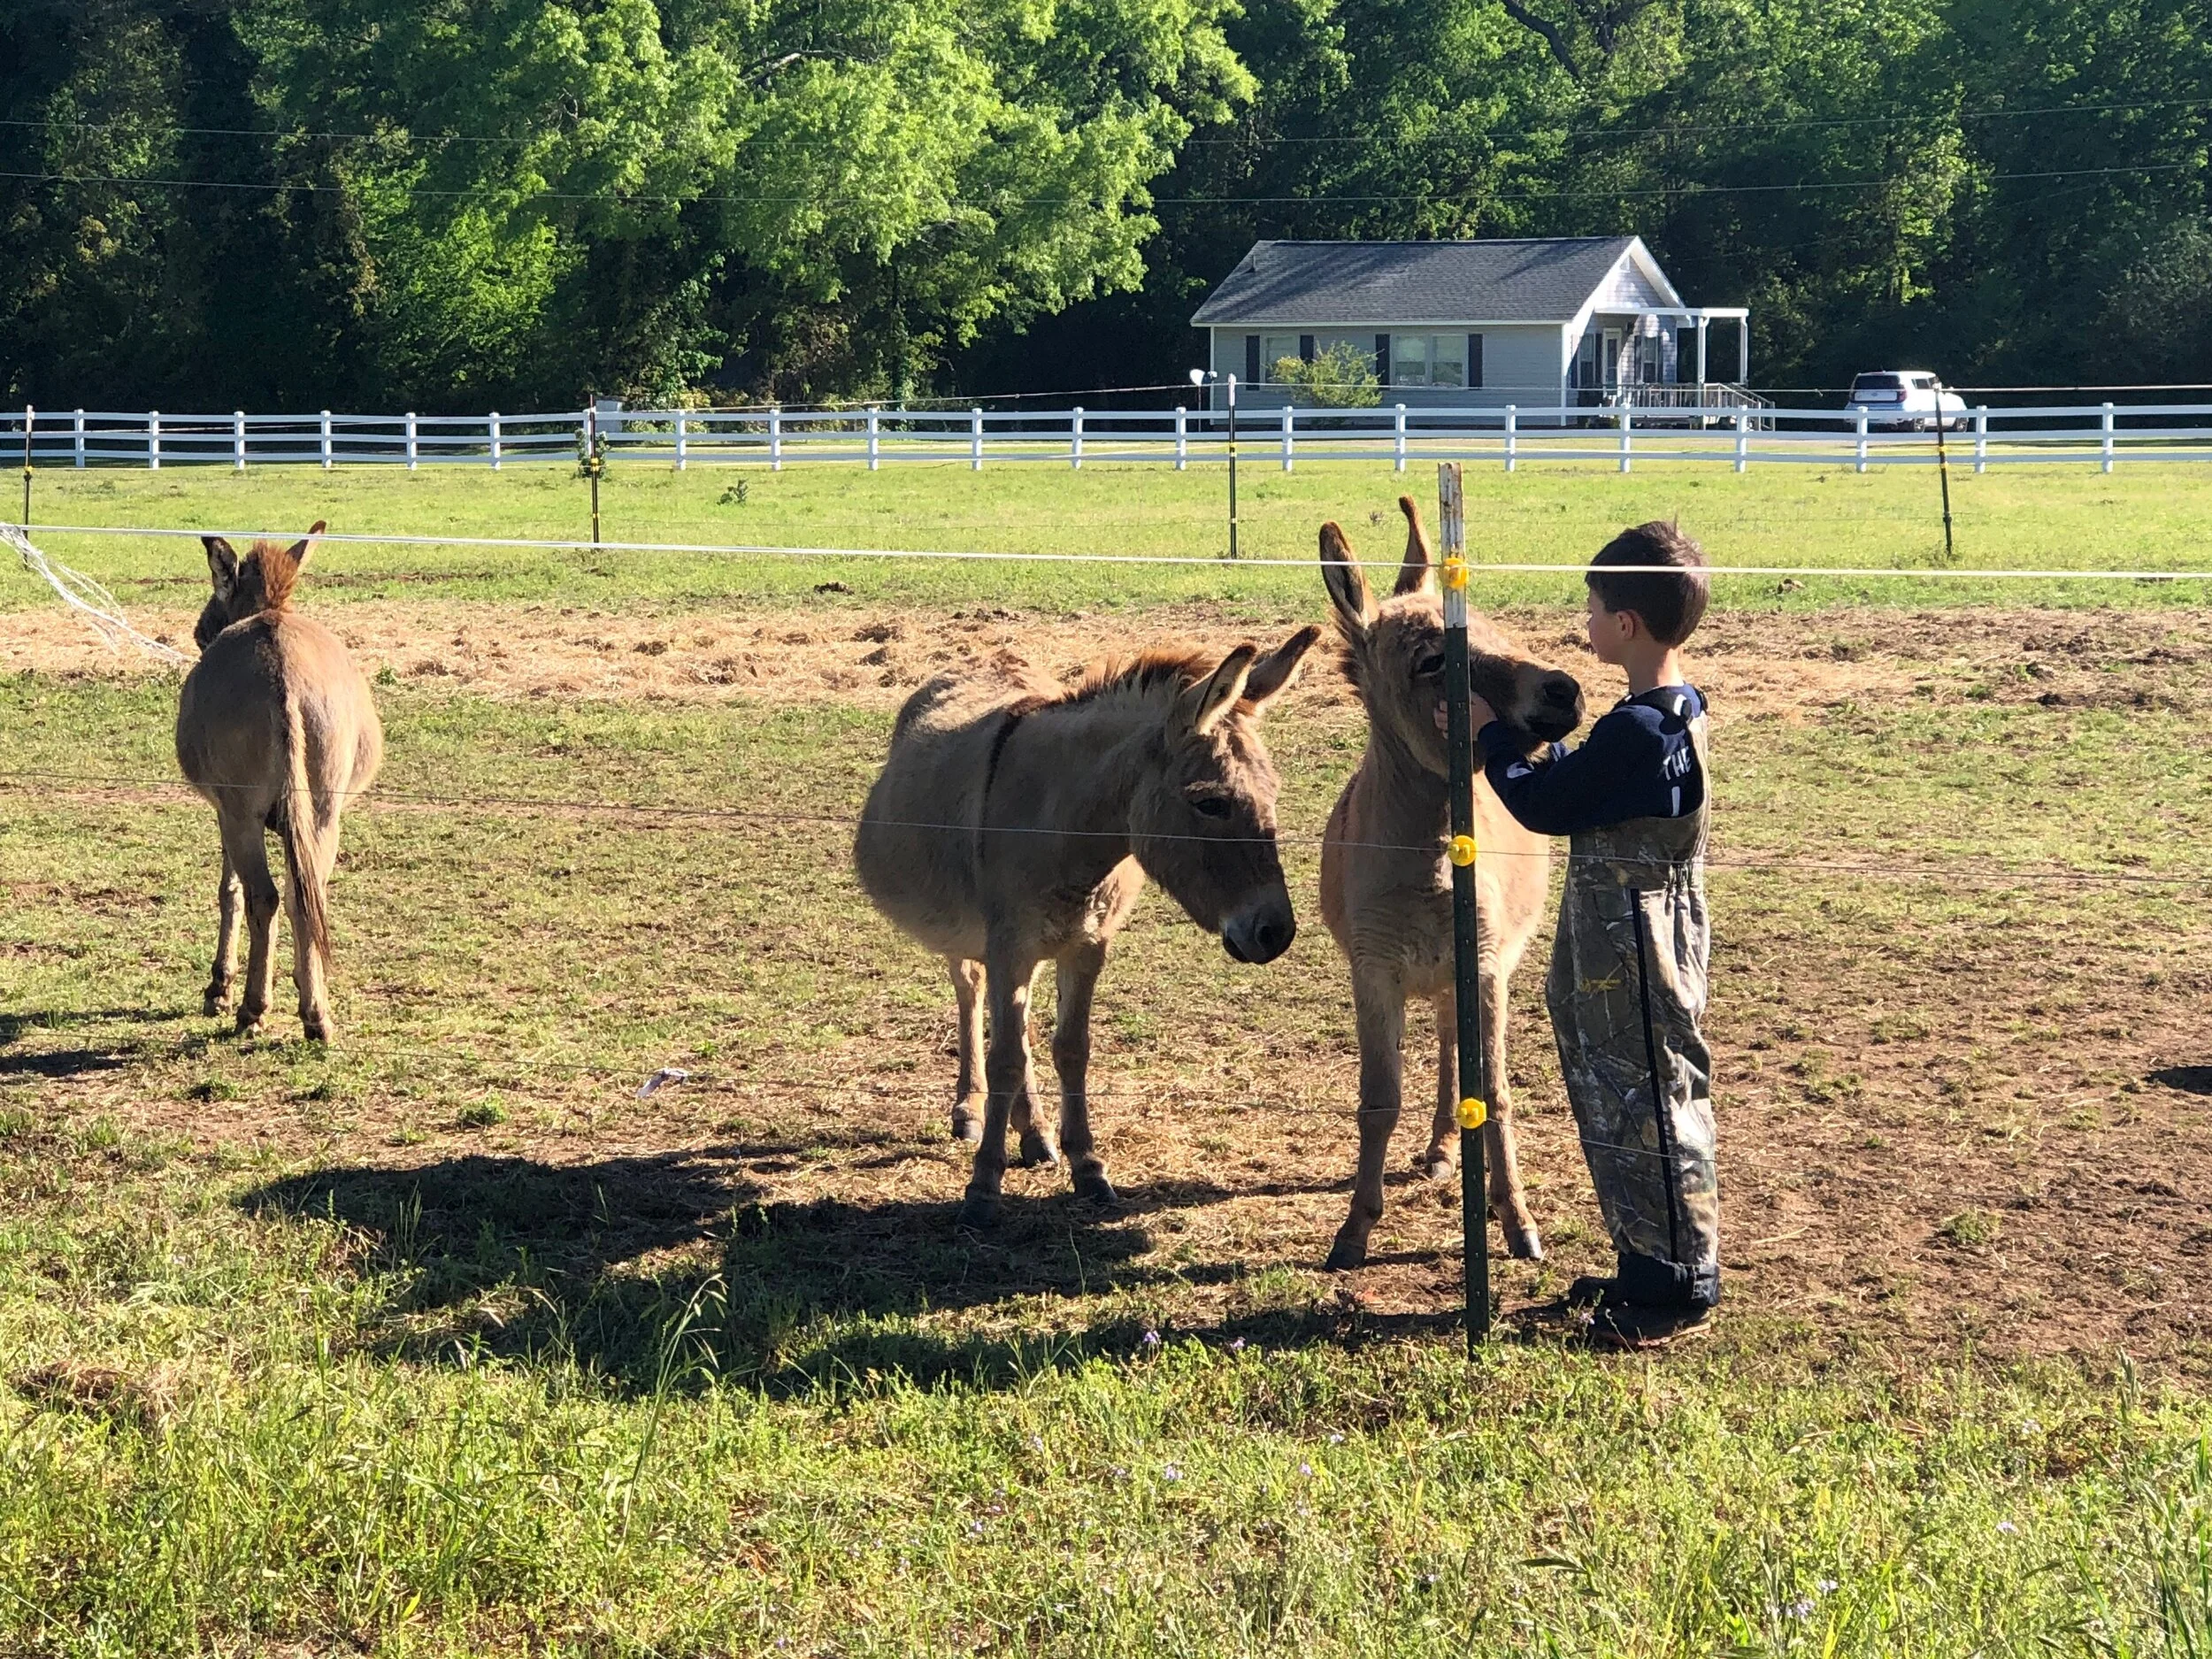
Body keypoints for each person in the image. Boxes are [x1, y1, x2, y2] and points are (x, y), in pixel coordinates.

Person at [1467, 520, 1718, 1346]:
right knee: (1630, 1092)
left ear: (1626, 625)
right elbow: (1591, 783)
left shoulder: (1638, 731)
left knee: (1643, 1096)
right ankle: (1645, 1258)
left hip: (1629, 939)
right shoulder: (1674, 715)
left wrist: (1493, 738)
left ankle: (1675, 1282)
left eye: (1594, 602)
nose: (1585, 613)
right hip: (1653, 922)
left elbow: (1545, 804)